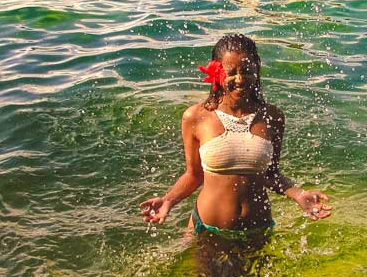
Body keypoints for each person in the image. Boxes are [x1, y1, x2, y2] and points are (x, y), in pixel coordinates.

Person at [140, 34, 331, 240]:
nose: (240, 80)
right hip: (208, 230)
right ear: (216, 72)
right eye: (231, 73)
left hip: (258, 230)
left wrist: (298, 194)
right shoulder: (195, 117)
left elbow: (270, 174)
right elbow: (194, 175)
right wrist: (168, 200)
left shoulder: (272, 117)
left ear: (257, 70)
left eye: (247, 71)